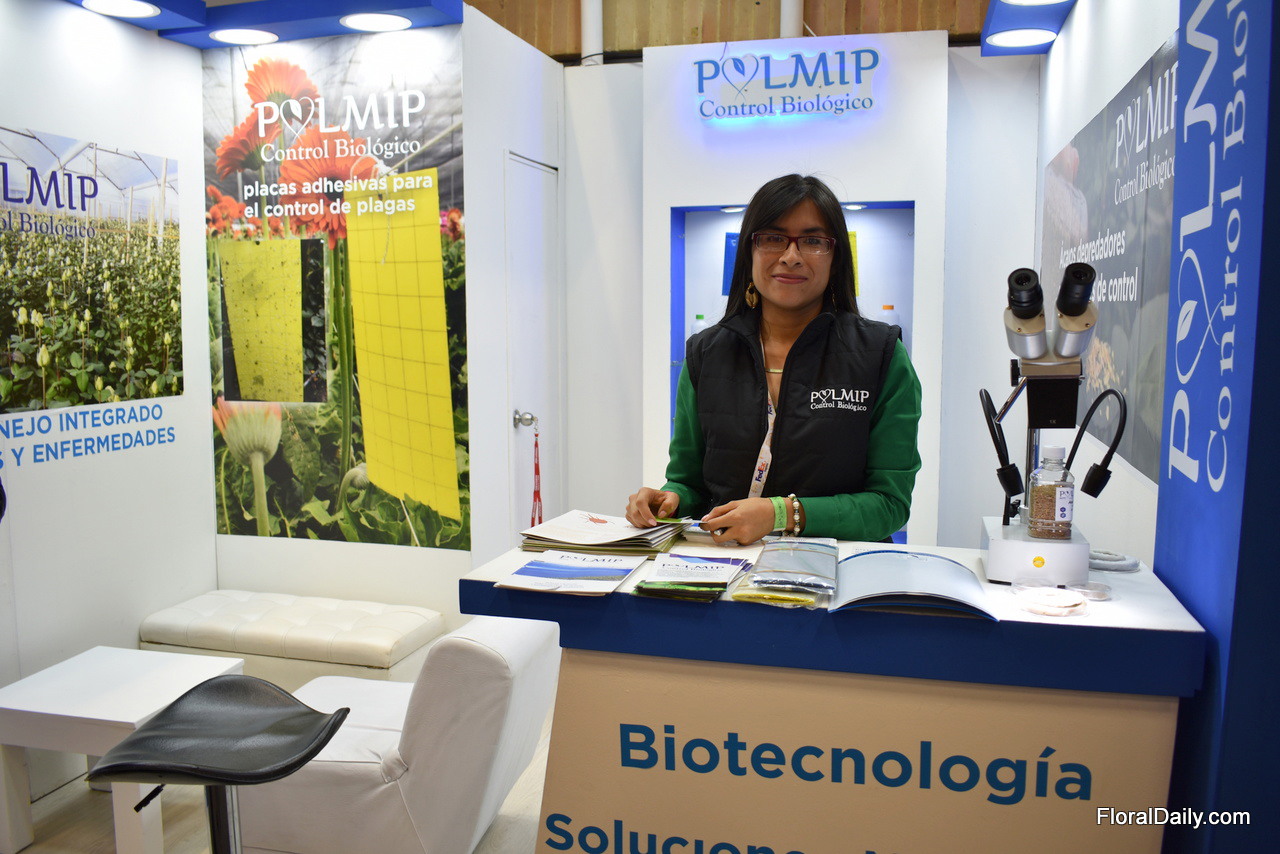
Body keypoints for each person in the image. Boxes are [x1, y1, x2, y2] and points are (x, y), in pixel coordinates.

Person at [625, 174, 922, 545]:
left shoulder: (881, 354)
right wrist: (671, 498)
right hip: (726, 566)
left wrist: (782, 514)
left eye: (812, 241)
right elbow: (689, 481)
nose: (791, 256)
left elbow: (889, 504)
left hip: (835, 569)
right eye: (773, 238)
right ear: (749, 251)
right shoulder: (705, 353)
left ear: (836, 257)